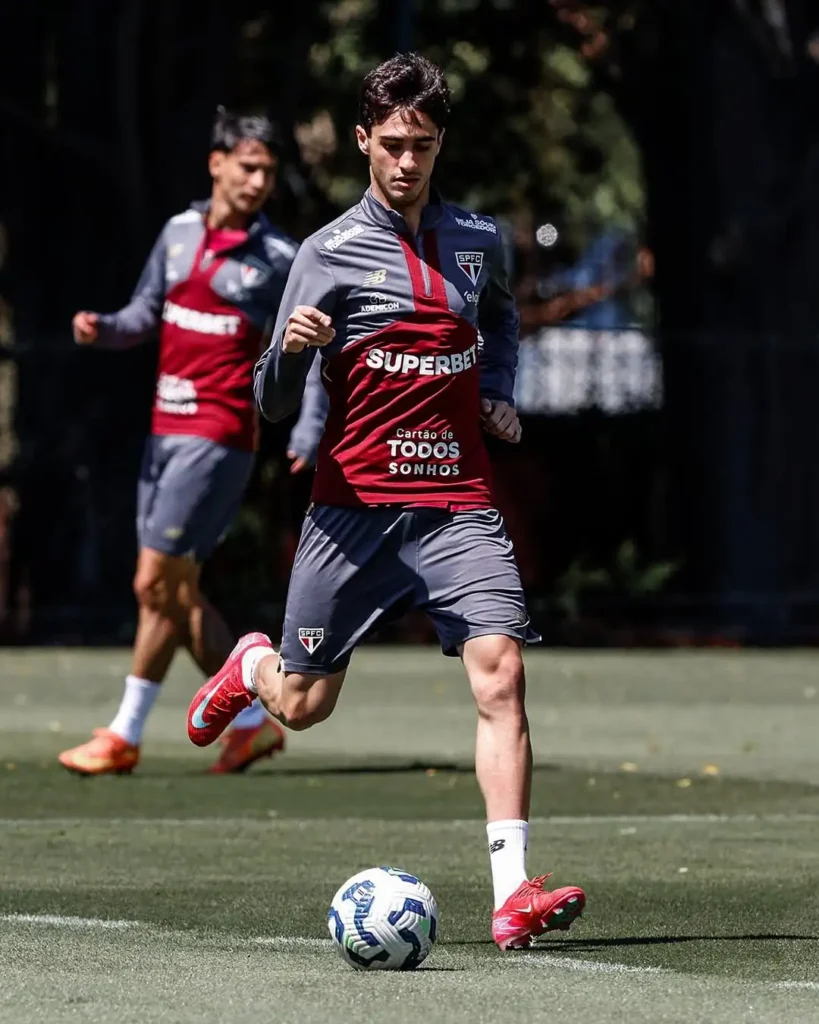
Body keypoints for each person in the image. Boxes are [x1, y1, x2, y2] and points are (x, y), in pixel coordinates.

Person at [185, 54, 586, 950]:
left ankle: (512, 894)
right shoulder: (325, 253)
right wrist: (291, 352)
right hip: (352, 511)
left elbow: (501, 320)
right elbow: (271, 402)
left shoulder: (477, 240)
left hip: (456, 503)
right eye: (393, 144)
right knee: (302, 706)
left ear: (441, 144)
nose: (407, 161)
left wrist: (497, 390)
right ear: (363, 140)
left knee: (501, 672)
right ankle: (252, 666)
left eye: (424, 145)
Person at [59, 108, 303, 776]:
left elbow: (309, 352)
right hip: (163, 432)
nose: (257, 182)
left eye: (267, 172)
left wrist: (309, 424)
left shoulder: (280, 259)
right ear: (216, 164)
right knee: (174, 593)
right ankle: (251, 720)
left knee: (154, 582)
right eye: (247, 167)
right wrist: (103, 328)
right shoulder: (177, 233)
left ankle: (124, 733)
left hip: (218, 437)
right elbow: (144, 313)